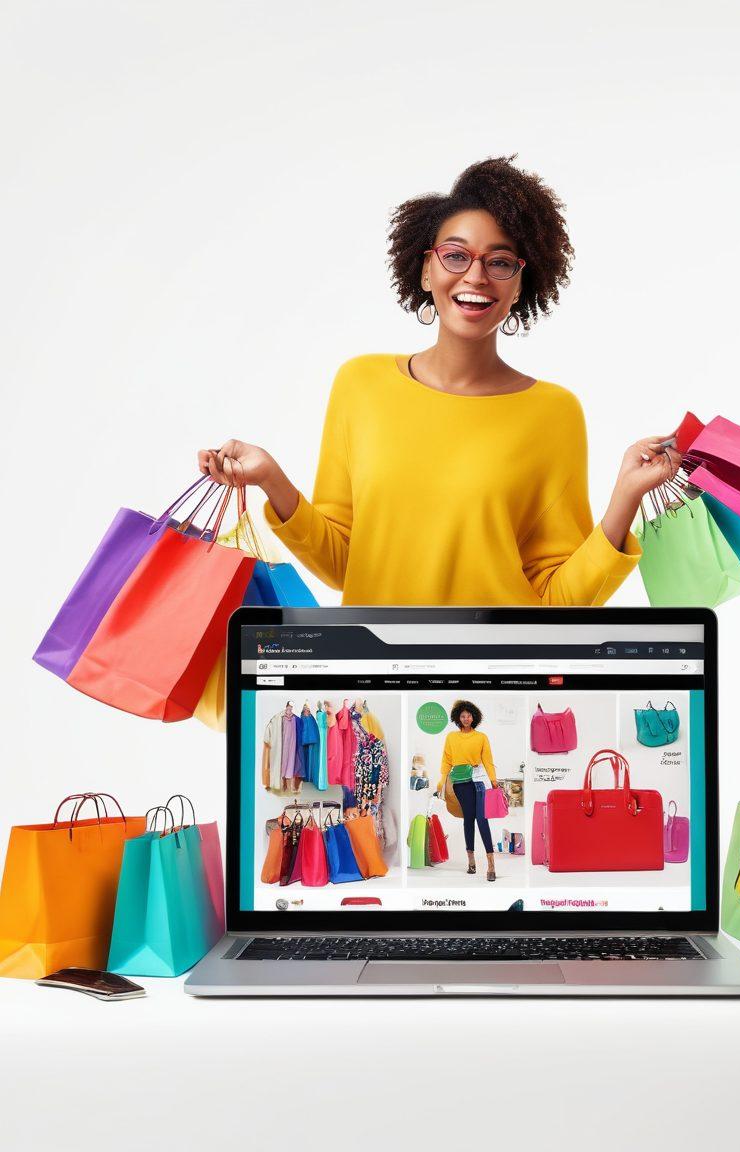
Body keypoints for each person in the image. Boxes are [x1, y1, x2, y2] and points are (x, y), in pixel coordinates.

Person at [198, 155, 681, 605]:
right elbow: (346, 564)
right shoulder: (361, 385)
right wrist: (270, 479)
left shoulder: (554, 413)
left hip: (496, 679)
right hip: (381, 679)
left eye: (499, 262)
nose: (476, 276)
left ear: (518, 284)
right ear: (427, 269)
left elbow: (556, 597)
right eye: (456, 255)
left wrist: (625, 497)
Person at [436, 700, 500, 882]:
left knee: (482, 819)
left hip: (479, 782)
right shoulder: (451, 737)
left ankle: (491, 863)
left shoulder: (481, 737)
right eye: (462, 716)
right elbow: (446, 760)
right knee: (469, 820)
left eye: (469, 715)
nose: (466, 718)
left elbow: (488, 760)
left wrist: (493, 780)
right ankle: (471, 860)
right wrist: (442, 781)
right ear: (458, 717)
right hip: (460, 783)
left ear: (474, 717)